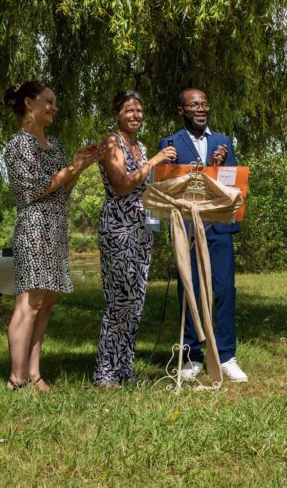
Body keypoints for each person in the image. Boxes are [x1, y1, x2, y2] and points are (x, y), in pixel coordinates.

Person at [3, 81, 101, 392]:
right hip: (33, 227)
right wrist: (72, 166)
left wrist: (79, 168)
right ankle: (16, 379)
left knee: (46, 301)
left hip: (55, 227)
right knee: (29, 302)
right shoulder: (18, 145)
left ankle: (34, 374)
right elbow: (35, 189)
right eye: (48, 101)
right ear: (29, 104)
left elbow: (62, 187)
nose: (54, 108)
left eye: (55, 102)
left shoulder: (55, 145)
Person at [159, 88, 248, 383]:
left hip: (218, 228)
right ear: (181, 110)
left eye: (204, 104)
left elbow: (234, 186)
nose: (200, 109)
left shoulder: (223, 142)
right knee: (190, 290)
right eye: (194, 105)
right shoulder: (170, 143)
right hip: (187, 228)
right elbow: (164, 188)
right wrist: (168, 165)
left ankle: (225, 355)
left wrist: (220, 167)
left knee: (224, 291)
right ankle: (191, 356)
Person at [93, 90, 177, 389]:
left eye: (139, 110)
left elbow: (145, 186)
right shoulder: (111, 143)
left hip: (142, 229)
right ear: (117, 114)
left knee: (136, 302)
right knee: (119, 301)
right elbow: (122, 186)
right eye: (129, 110)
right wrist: (154, 160)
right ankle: (105, 373)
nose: (135, 115)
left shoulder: (139, 145)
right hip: (119, 228)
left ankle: (124, 370)